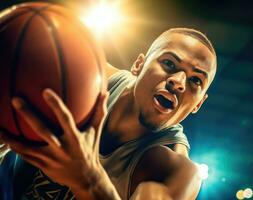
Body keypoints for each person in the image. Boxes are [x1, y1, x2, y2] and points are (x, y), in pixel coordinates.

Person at [0, 27, 217, 200]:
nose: (178, 82)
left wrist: (89, 179)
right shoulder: (89, 77)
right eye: (169, 63)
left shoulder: (175, 171)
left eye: (196, 80)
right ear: (139, 65)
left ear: (199, 104)